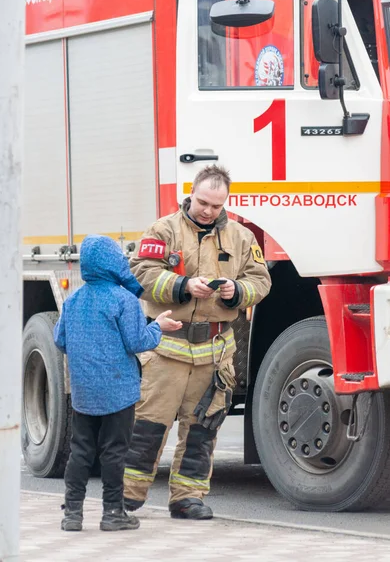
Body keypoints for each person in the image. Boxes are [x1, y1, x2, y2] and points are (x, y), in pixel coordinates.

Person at [123, 164, 272, 520]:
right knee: (148, 426)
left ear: (226, 204)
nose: (208, 210)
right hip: (166, 349)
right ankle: (126, 496)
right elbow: (140, 273)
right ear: (192, 193)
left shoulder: (241, 237)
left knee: (202, 431)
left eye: (217, 206)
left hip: (214, 352)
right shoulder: (164, 229)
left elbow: (261, 282)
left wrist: (237, 292)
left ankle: (187, 498)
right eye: (203, 202)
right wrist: (183, 286)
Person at [53, 234, 181, 532]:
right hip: (118, 392)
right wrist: (158, 327)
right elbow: (137, 341)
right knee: (114, 452)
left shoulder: (74, 300)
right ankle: (113, 513)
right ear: (115, 263)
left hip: (84, 393)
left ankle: (72, 513)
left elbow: (60, 340)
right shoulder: (124, 299)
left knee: (81, 451)